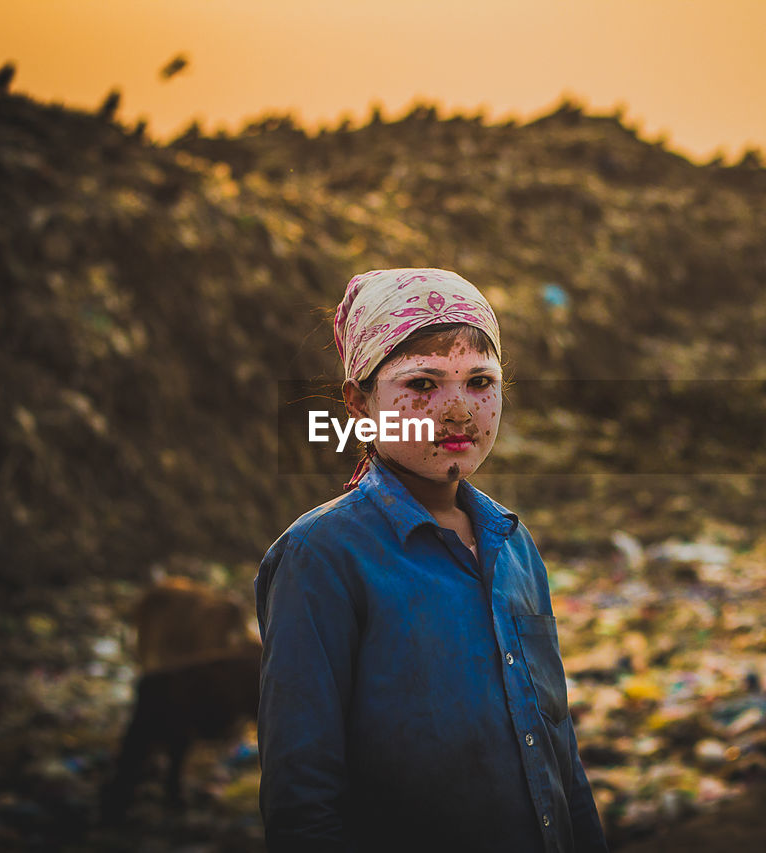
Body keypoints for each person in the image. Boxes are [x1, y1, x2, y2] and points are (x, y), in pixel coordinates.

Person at [255, 268, 608, 852]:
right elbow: (303, 797)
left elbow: (558, 757)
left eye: (479, 382)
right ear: (359, 404)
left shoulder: (514, 545)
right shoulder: (321, 557)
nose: (458, 413)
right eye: (422, 383)